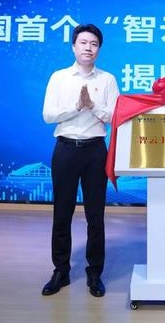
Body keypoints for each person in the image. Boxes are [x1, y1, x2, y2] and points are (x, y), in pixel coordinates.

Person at [41, 24, 119, 297]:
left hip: (95, 150)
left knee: (95, 215)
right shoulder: (59, 77)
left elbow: (114, 117)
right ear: (73, 46)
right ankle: (61, 270)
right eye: (83, 42)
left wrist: (92, 105)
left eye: (94, 44)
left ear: (99, 49)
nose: (88, 47)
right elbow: (48, 115)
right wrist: (76, 107)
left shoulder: (107, 80)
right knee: (62, 213)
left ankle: (94, 273)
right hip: (65, 149)